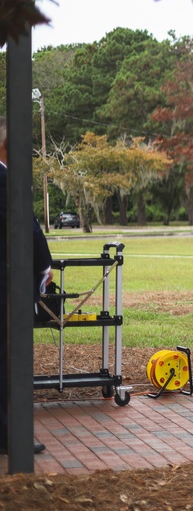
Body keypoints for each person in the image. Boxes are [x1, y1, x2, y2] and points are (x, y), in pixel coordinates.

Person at [0, 116, 50, 454]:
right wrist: (44, 265)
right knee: (9, 360)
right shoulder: (6, 179)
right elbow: (26, 229)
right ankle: (9, 436)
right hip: (8, 283)